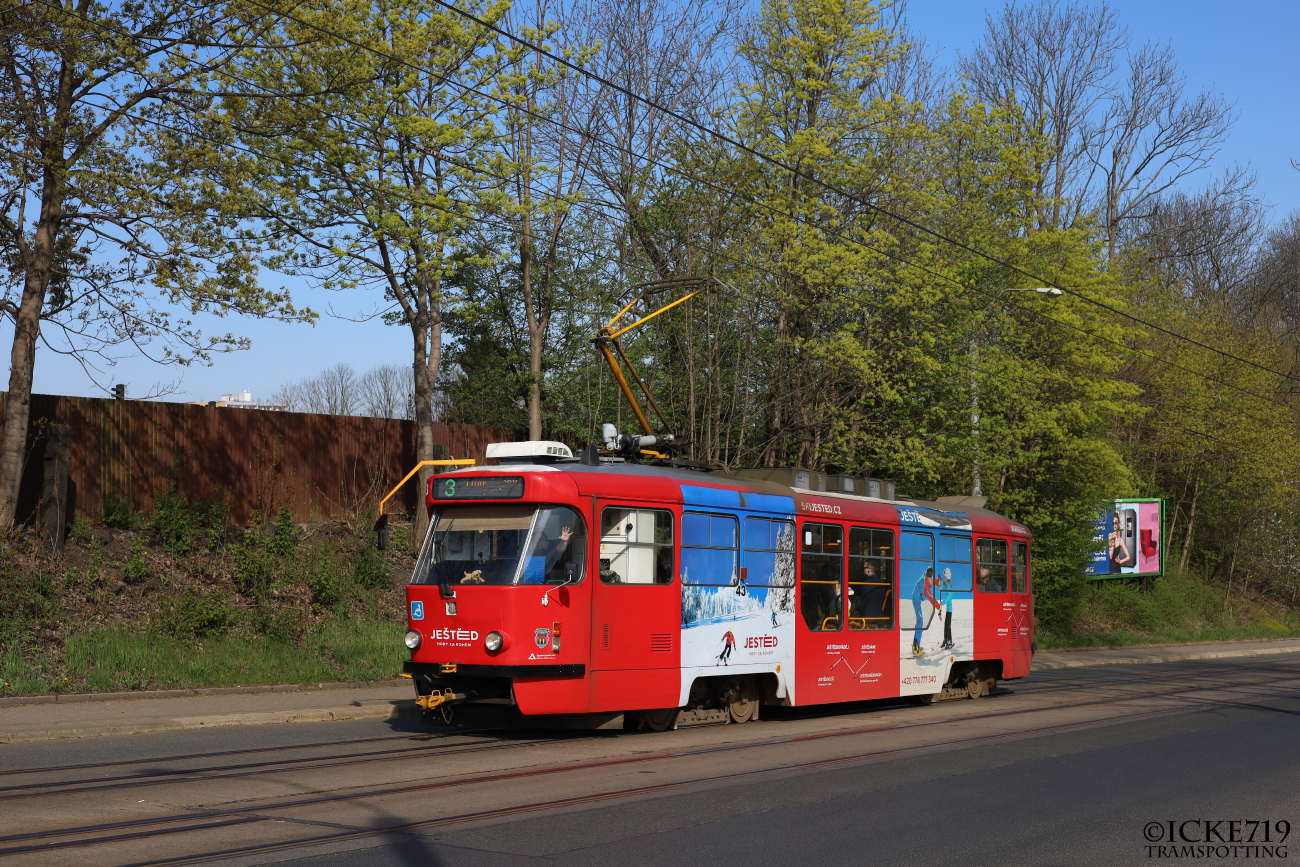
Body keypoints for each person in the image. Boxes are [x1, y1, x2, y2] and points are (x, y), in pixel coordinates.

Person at [911, 567, 939, 656]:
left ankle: (917, 644)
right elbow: (931, 598)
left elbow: (935, 580)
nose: (932, 581)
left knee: (920, 622)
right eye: (932, 580)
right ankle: (916, 647)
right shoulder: (924, 585)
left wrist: (940, 584)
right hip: (916, 601)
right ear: (928, 578)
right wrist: (939, 607)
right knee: (920, 622)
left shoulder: (928, 576)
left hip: (919, 598)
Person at [940, 567, 954, 650]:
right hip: (948, 610)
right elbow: (941, 586)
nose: (945, 578)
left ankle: (949, 641)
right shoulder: (947, 583)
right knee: (946, 625)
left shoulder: (949, 586)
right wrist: (941, 581)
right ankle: (946, 640)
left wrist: (942, 603)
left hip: (949, 610)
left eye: (945, 577)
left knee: (948, 625)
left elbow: (948, 598)